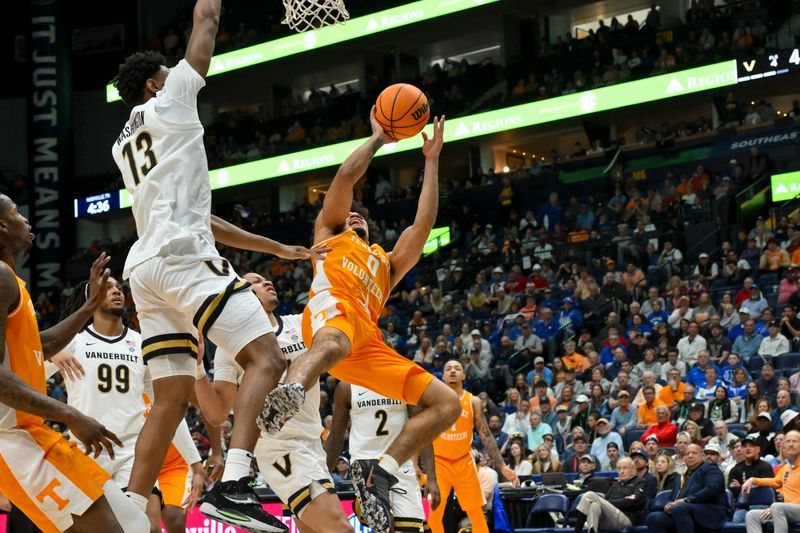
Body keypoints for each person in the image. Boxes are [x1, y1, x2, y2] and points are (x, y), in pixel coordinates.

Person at [111, 1, 318, 527]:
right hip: (182, 259)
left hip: (146, 270)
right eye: (169, 73)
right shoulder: (172, 100)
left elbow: (206, 217)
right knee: (268, 358)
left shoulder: (122, 142)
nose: (182, 76)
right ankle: (235, 483)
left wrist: (274, 249)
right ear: (158, 85)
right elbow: (206, 19)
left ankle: (133, 509)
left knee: (171, 398)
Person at [258, 113, 455, 533]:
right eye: (350, 215)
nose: (353, 217)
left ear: (369, 227)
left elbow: (422, 226)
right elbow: (345, 178)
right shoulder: (329, 237)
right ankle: (291, 391)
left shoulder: (386, 263)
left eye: (359, 218)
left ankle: (379, 473)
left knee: (447, 403)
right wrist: (379, 138)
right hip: (330, 316)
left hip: (365, 343)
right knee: (336, 336)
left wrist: (432, 161)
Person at [0, 196, 150, 533]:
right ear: (2, 228)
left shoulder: (13, 283)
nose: (27, 221)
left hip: (33, 434)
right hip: (13, 440)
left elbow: (41, 346)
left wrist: (87, 307)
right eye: (18, 213)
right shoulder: (0, 277)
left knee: (136, 524)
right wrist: (71, 414)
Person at [192, 273, 353, 533]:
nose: (267, 282)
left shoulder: (302, 324)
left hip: (312, 441)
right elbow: (217, 413)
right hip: (278, 447)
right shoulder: (229, 347)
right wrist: (198, 367)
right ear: (241, 295)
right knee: (340, 528)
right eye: (255, 281)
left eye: (268, 279)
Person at [49, 278, 206, 533]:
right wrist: (47, 351)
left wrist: (194, 462)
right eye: (107, 287)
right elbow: (22, 367)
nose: (116, 290)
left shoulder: (143, 345)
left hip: (132, 451)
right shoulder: (72, 343)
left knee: (148, 527)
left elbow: (165, 409)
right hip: (86, 452)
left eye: (118, 287)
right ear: (91, 299)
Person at [326, 382, 436, 533]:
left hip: (399, 465)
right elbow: (336, 436)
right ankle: (367, 501)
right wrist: (323, 475)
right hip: (367, 466)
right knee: (385, 526)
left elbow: (422, 430)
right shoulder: (347, 388)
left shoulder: (404, 382)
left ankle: (362, 506)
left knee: (411, 529)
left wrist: (432, 477)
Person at [428, 360, 518, 533]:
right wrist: (416, 464)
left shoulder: (474, 401)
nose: (453, 371)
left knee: (475, 512)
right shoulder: (433, 400)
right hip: (439, 463)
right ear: (443, 376)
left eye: (457, 368)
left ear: (464, 375)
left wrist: (502, 465)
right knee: (434, 511)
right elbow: (422, 434)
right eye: (448, 369)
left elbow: (485, 434)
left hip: (464, 462)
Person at [646, 444, 728, 533]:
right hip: (682, 513)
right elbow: (673, 498)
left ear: (702, 456)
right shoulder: (680, 478)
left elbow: (712, 488)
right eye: (687, 453)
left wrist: (687, 500)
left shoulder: (710, 468)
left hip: (709, 512)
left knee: (680, 508)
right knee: (654, 518)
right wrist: (669, 505)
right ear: (684, 458)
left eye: (694, 453)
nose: (690, 455)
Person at [743, 430, 800, 533]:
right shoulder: (786, 467)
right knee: (751, 515)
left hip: (793, 508)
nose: (791, 444)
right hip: (787, 510)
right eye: (788, 441)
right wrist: (752, 480)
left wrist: (780, 508)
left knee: (776, 507)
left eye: (795, 441)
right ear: (784, 446)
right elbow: (775, 481)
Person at [728, 436, 774, 521]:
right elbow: (732, 491)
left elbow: (764, 491)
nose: (748, 448)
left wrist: (740, 487)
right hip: (743, 508)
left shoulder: (765, 466)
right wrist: (750, 487)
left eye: (751, 446)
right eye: (745, 446)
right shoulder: (736, 469)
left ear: (758, 449)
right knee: (736, 518)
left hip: (762, 507)